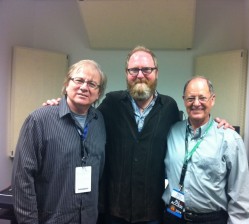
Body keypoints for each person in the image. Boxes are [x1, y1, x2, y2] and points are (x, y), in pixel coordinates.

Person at [43, 46, 232, 224]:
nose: (140, 75)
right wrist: (63, 104)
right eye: (134, 70)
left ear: (156, 72)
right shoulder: (111, 103)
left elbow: (188, 131)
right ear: (127, 74)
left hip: (152, 213)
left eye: (146, 69)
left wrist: (213, 125)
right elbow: (84, 115)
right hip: (113, 213)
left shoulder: (170, 108)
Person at [12, 59, 107, 224]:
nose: (84, 87)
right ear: (67, 84)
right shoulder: (39, 120)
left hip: (88, 218)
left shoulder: (99, 122)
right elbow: (22, 179)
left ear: (99, 93)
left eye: (92, 84)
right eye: (79, 80)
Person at [162, 76, 249, 224]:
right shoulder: (172, 132)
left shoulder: (229, 139)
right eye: (191, 98)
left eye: (202, 98)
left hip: (210, 219)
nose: (196, 103)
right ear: (184, 100)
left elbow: (241, 195)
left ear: (212, 99)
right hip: (173, 216)